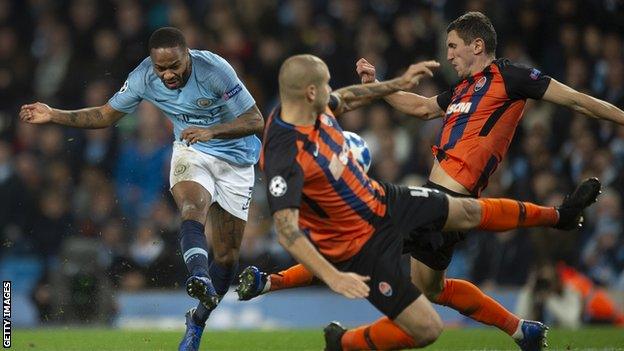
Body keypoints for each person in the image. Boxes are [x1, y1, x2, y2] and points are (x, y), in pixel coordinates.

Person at [238, 11, 624, 350]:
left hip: (450, 195)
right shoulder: (462, 88)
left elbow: (576, 99)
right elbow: (422, 108)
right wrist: (383, 83)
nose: (449, 55)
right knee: (434, 289)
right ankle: (522, 330)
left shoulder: (511, 77)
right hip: (435, 195)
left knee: (361, 244)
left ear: (478, 44)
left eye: (454, 47)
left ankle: (276, 288)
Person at [20, 27, 263, 351]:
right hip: (191, 151)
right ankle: (198, 276)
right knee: (192, 207)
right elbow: (105, 115)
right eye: (161, 67)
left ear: (186, 55)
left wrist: (213, 131)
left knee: (228, 257)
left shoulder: (214, 70)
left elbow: (256, 119)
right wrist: (54, 115)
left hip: (236, 159)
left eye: (174, 66)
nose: (168, 74)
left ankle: (197, 322)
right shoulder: (143, 77)